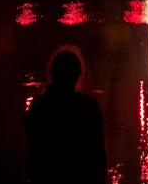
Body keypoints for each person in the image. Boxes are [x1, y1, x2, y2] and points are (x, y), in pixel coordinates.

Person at [25, 47, 106, 184]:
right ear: (78, 75)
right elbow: (99, 155)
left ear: (52, 73)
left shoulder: (39, 105)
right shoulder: (89, 106)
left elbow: (32, 152)